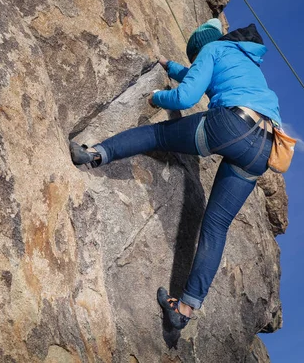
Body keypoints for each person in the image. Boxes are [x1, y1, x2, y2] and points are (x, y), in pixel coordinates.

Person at [70, 18, 282, 330]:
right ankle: (184, 309)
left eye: (195, 58)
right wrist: (173, 68)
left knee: (157, 136)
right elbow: (202, 79)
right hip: (264, 149)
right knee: (216, 227)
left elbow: (185, 97)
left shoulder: (212, 49)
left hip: (231, 126)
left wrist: (158, 97)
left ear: (200, 48)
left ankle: (94, 153)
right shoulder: (245, 60)